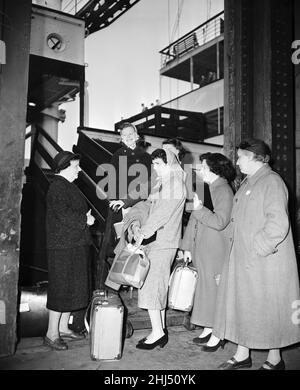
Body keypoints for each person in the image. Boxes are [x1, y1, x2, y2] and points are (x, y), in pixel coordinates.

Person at [212, 139, 300, 370]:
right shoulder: (248, 183)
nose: (237, 161)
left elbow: (278, 224)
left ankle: (275, 359)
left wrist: (256, 249)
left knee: (270, 309)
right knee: (244, 306)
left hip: (265, 261)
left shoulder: (272, 182)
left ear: (255, 158)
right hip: (245, 260)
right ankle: (243, 355)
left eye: (241, 156)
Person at [131, 148, 187, 350]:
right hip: (160, 241)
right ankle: (160, 329)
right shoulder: (167, 183)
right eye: (153, 164)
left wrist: (142, 234)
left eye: (159, 164)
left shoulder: (174, 184)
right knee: (157, 286)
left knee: (153, 286)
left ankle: (157, 333)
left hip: (162, 241)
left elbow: (162, 214)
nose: (155, 168)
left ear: (170, 164)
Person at [180, 153, 235, 349]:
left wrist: (198, 209)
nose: (200, 170)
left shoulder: (224, 190)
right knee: (204, 290)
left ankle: (218, 333)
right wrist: (187, 247)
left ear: (214, 169)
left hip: (215, 249)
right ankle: (208, 327)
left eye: (203, 167)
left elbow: (219, 222)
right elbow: (194, 219)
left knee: (213, 291)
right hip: (202, 247)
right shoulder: (206, 188)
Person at [44, 151, 95, 351]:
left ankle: (63, 328)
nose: (79, 170)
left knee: (71, 287)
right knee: (61, 288)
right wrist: (86, 220)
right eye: (76, 166)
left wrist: (83, 218)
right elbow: (64, 215)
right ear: (65, 167)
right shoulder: (57, 187)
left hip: (73, 243)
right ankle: (51, 333)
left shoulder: (67, 186)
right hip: (62, 246)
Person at [109, 122, 152, 217]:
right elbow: (112, 180)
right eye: (124, 135)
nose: (128, 137)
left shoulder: (146, 157)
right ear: (121, 138)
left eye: (130, 134)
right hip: (124, 202)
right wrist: (115, 201)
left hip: (142, 202)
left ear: (137, 135)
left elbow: (150, 181)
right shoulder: (117, 155)